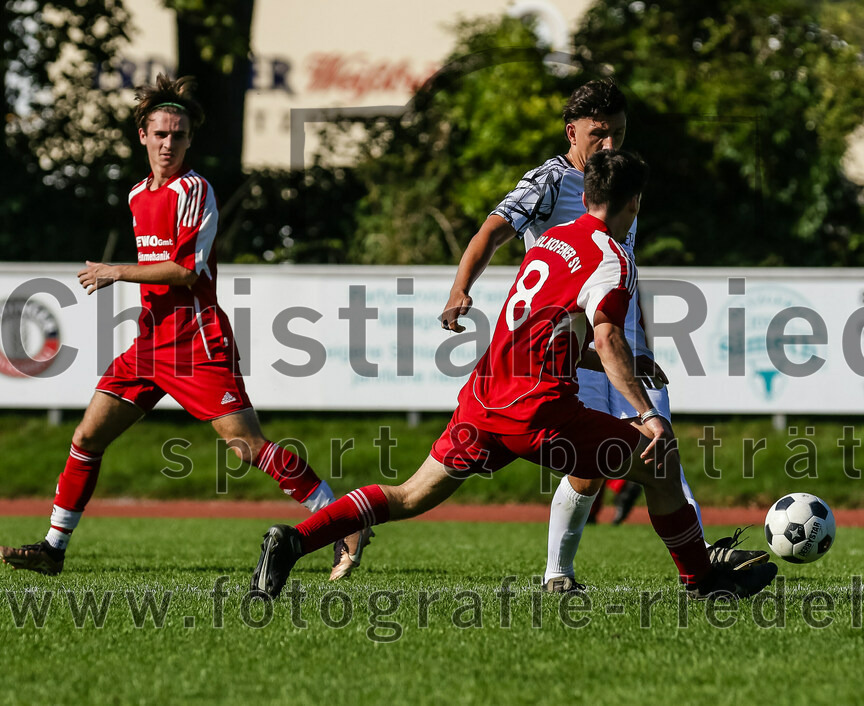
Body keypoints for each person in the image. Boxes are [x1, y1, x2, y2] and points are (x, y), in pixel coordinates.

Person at [251, 150, 778, 600]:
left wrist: (621, 365)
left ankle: (294, 541)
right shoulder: (613, 257)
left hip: (483, 402)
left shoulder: (554, 241)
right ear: (635, 203)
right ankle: (700, 578)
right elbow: (607, 335)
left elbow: (554, 338)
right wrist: (645, 411)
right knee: (659, 460)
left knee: (410, 496)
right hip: (538, 411)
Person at [0, 75, 338, 576]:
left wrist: (116, 271)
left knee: (246, 448)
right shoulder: (139, 195)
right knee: (87, 437)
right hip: (149, 343)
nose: (168, 144)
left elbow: (184, 270)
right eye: (160, 134)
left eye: (177, 136)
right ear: (142, 135)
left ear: (188, 140)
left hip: (195, 342)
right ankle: (53, 548)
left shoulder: (195, 189)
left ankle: (342, 521)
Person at [440, 80, 768, 591]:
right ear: (573, 132)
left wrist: (643, 337)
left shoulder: (619, 181)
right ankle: (561, 573)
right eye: (599, 134)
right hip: (573, 346)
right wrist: (461, 289)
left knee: (661, 447)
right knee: (599, 464)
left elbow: (625, 272)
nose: (611, 145)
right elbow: (491, 232)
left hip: (622, 340)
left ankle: (699, 562)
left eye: (618, 132)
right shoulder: (549, 181)